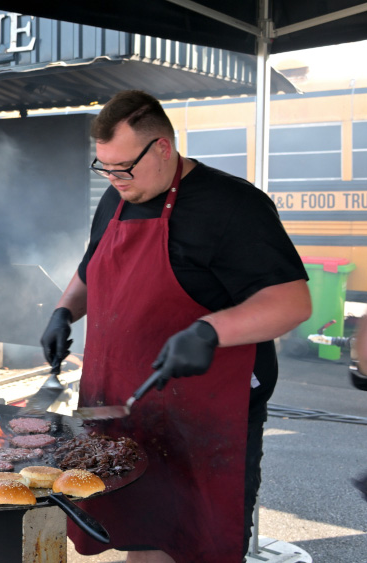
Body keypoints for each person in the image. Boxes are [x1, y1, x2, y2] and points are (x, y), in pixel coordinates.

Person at [41, 90, 311, 563]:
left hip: (205, 422)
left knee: (194, 545)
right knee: (143, 538)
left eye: (124, 167)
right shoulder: (116, 197)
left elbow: (291, 301)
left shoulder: (233, 206)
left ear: (163, 147)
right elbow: (91, 268)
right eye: (103, 167)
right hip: (125, 413)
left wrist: (209, 331)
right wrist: (64, 310)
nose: (113, 178)